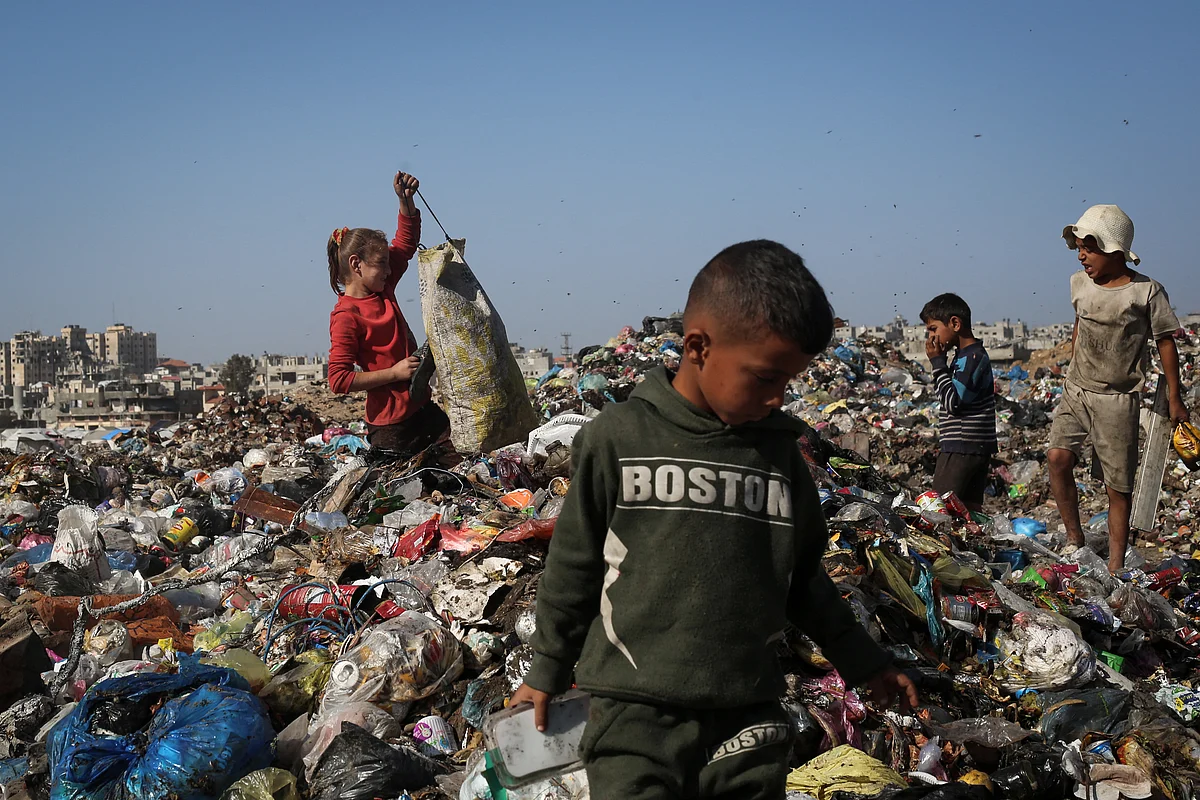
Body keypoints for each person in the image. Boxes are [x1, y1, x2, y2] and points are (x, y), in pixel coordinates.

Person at [510, 240, 918, 800]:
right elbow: (573, 565)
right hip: (632, 711)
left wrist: (864, 662)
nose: (777, 399)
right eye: (764, 378)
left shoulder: (779, 460)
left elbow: (804, 582)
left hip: (746, 715)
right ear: (698, 346)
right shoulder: (619, 439)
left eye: (788, 382)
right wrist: (547, 670)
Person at [1048, 204, 1189, 573]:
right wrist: (1072, 359)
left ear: (1114, 251)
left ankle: (1115, 567)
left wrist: (1175, 397)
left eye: (1089, 248)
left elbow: (1165, 342)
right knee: (1057, 458)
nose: (1081, 256)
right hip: (1077, 389)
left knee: (1117, 488)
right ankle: (1075, 538)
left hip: (1117, 400)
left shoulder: (1145, 292)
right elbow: (1080, 323)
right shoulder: (1079, 284)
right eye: (1079, 247)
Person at [326, 171, 449, 455]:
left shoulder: (383, 286)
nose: (390, 269)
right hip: (392, 427)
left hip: (422, 408)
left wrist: (406, 201)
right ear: (356, 265)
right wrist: (394, 373)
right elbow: (339, 379)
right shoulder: (346, 316)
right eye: (381, 262)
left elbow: (405, 244)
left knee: (463, 465)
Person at [920, 293, 998, 512]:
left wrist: (937, 363)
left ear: (955, 323)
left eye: (933, 329)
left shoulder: (972, 358)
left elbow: (952, 402)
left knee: (940, 511)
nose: (931, 337)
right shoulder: (966, 357)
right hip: (971, 447)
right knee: (968, 512)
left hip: (962, 447)